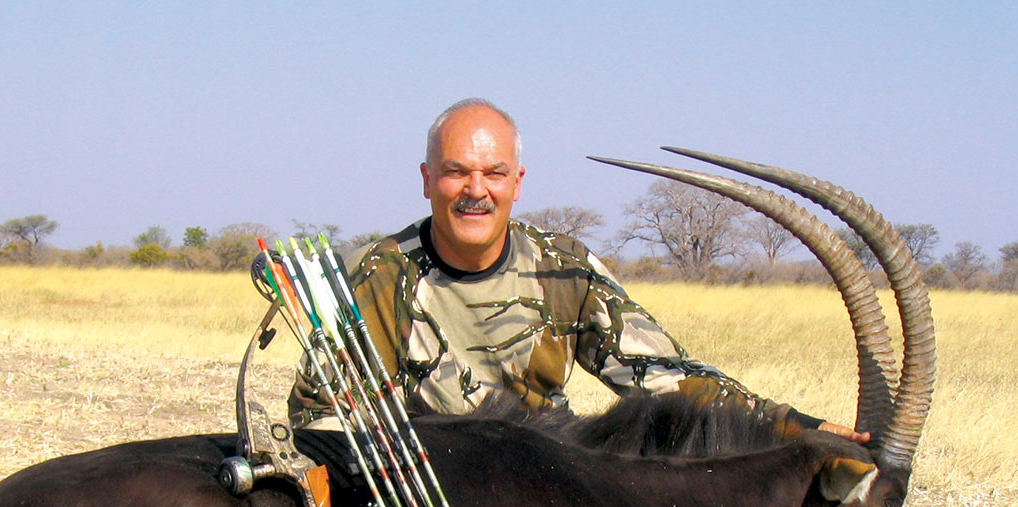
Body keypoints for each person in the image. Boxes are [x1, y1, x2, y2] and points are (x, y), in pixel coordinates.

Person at [290, 97, 867, 442]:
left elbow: (668, 378)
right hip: (430, 494)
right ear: (426, 179)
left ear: (517, 183)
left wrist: (796, 426)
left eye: (493, 173)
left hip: (549, 487)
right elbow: (316, 422)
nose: (474, 191)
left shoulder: (565, 268)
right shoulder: (373, 275)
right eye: (455, 171)